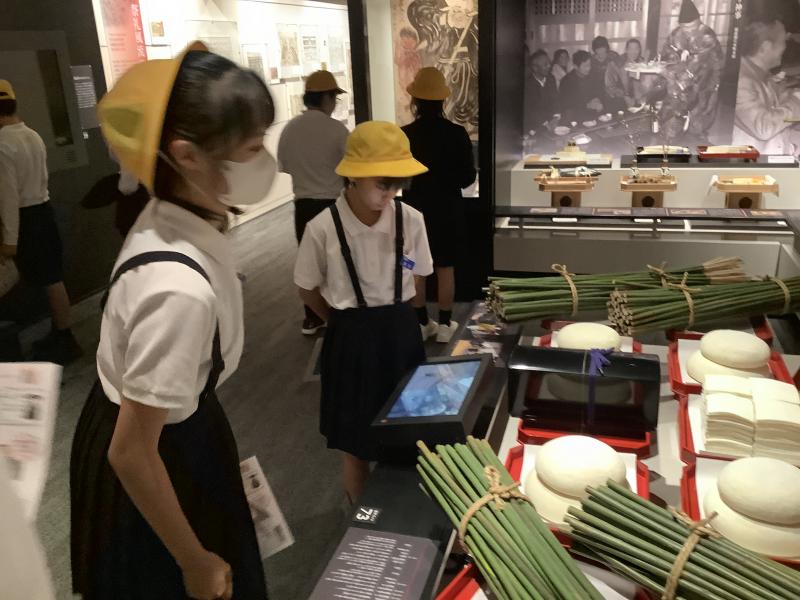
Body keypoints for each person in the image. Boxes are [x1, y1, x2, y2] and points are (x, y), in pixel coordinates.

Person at [70, 43, 273, 599]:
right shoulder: (178, 291)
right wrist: (194, 561)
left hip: (166, 432)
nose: (264, 160)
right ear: (186, 156)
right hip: (157, 462)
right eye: (252, 147)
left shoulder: (174, 213)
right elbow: (131, 452)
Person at [294, 121, 432, 503]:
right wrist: (337, 322)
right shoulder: (323, 227)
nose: (391, 193)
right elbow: (306, 287)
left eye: (397, 184)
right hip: (351, 339)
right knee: (356, 443)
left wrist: (413, 318)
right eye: (383, 184)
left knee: (409, 433)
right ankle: (360, 518)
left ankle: (404, 515)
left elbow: (419, 274)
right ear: (353, 176)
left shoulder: (411, 219)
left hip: (401, 333)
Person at [0, 79, 81, 365]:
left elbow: (8, 197)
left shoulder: (3, 144)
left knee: (48, 280)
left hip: (26, 220)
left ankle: (65, 340)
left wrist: (9, 241)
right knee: (53, 278)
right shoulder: (32, 135)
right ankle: (61, 332)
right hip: (44, 211)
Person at [402, 67, 476, 343]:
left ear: (415, 100)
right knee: (446, 267)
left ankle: (421, 322)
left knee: (416, 266)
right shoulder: (457, 133)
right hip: (448, 208)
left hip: (414, 208)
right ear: (443, 100)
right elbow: (468, 177)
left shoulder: (404, 135)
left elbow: (399, 178)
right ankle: (445, 324)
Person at [278, 70, 348, 335]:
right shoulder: (337, 130)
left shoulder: (289, 129)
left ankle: (312, 318)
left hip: (303, 206)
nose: (335, 103)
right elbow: (351, 169)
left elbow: (285, 167)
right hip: (332, 204)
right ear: (327, 98)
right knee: (336, 262)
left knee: (310, 263)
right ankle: (337, 313)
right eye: (334, 98)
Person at [732, 20, 800, 154]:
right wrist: (796, 100)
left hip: (778, 148)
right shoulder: (741, 81)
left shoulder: (761, 73)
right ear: (766, 47)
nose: (785, 47)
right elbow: (763, 128)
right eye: (783, 42)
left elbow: (783, 104)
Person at [660, 0, 724, 140]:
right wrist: (670, 68)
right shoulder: (675, 35)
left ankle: (698, 139)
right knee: (670, 122)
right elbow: (666, 56)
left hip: (704, 84)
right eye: (685, 28)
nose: (689, 32)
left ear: (699, 22)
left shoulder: (707, 36)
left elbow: (713, 67)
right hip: (679, 85)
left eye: (693, 27)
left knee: (698, 125)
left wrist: (715, 90)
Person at [559, 50, 604, 122]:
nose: (588, 68)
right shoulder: (566, 81)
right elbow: (567, 105)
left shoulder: (592, 75)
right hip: (576, 117)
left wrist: (598, 99)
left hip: (593, 114)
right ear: (575, 66)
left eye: (589, 65)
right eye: (585, 66)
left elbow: (599, 91)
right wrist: (587, 105)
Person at [605, 38, 645, 112]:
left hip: (638, 100)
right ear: (626, 50)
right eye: (630, 49)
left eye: (636, 49)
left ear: (640, 50)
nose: (633, 52)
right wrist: (625, 97)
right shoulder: (615, 64)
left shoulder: (642, 63)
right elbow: (609, 87)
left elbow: (644, 84)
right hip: (619, 99)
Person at [525, 50, 559, 134]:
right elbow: (530, 110)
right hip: (535, 125)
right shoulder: (527, 85)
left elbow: (555, 100)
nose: (549, 66)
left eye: (549, 63)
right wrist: (546, 123)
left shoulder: (551, 78)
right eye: (545, 64)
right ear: (535, 68)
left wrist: (556, 117)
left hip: (552, 121)